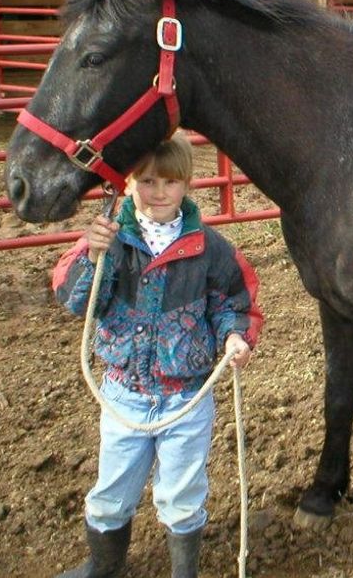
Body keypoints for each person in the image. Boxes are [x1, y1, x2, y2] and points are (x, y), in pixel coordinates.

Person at [51, 133, 263, 578]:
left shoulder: (211, 248)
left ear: (187, 185)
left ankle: (183, 571)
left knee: (182, 494)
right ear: (128, 184)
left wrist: (234, 337)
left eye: (170, 182)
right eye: (147, 181)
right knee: (111, 491)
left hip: (186, 398)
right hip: (124, 393)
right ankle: (104, 566)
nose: (159, 192)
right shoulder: (110, 241)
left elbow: (233, 303)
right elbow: (76, 300)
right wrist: (93, 256)